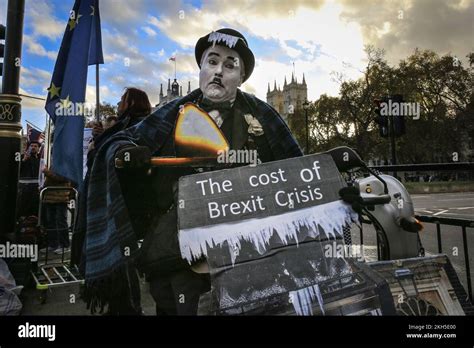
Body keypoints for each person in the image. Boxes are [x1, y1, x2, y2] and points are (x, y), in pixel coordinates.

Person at [82, 28, 302, 315]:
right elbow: (120, 142)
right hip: (179, 250)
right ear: (201, 68)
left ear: (242, 76)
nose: (219, 72)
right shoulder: (171, 112)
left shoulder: (264, 115)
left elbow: (299, 169)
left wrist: (335, 189)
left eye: (230, 65)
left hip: (248, 251)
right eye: (212, 62)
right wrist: (124, 152)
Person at [73, 88, 153, 315]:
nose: (118, 104)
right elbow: (99, 161)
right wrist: (99, 141)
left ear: (132, 103)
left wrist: (106, 142)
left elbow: (126, 154)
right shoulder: (118, 128)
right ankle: (120, 306)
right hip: (113, 201)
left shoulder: (137, 126)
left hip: (124, 203)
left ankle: (130, 308)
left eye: (122, 100)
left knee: (122, 259)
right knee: (118, 260)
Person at [40, 168, 72, 254]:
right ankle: (53, 244)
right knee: (51, 221)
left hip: (60, 195)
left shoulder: (66, 162)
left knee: (60, 221)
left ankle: (64, 245)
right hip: (51, 194)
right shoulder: (55, 163)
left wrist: (47, 172)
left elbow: (64, 178)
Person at [18, 141, 41, 218]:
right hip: (24, 188)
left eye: (35, 146)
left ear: (38, 148)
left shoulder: (40, 160)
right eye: (31, 146)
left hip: (35, 188)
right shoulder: (22, 157)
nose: (33, 147)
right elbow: (16, 170)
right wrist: (24, 160)